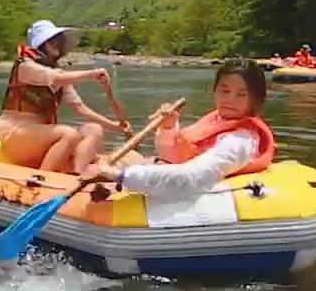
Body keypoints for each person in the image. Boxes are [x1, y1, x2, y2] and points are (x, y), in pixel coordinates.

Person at [79, 60, 275, 200]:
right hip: (171, 176)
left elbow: (188, 178)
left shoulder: (239, 141)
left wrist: (119, 176)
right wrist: (168, 127)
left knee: (113, 163)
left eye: (241, 94)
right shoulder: (216, 121)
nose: (229, 100)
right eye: (224, 91)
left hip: (191, 191)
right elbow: (171, 157)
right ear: (215, 91)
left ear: (255, 100)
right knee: (107, 157)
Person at [0, 19, 128, 172]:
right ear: (41, 45)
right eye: (51, 41)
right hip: (14, 132)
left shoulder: (59, 73)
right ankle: (42, 179)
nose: (56, 44)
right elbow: (54, 78)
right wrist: (91, 74)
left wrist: (115, 126)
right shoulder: (25, 67)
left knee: (93, 129)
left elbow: (80, 108)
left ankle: (77, 176)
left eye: (57, 40)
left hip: (40, 135)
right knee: (68, 134)